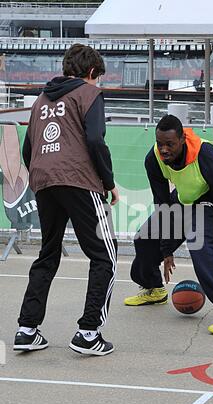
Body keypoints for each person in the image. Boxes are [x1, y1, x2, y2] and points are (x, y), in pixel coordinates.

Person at [13, 43, 119, 355]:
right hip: (79, 180)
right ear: (90, 73)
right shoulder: (89, 94)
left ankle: (27, 328)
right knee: (105, 256)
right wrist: (109, 182)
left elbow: (28, 149)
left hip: (44, 180)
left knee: (48, 254)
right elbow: (95, 139)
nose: (98, 82)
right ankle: (88, 332)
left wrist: (42, 172)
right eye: (97, 77)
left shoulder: (41, 101)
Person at [124, 114, 213, 335]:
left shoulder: (205, 155)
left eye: (169, 144)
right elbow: (162, 203)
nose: (164, 149)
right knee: (143, 239)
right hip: (182, 201)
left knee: (199, 245)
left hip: (209, 200)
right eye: (160, 143)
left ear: (182, 139)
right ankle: (154, 289)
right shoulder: (153, 159)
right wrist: (166, 249)